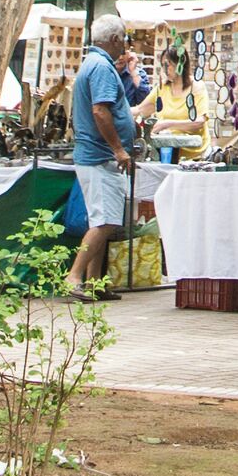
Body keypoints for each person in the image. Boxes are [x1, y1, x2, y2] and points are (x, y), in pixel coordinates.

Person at [67, 20, 142, 292]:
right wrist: (119, 149)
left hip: (94, 155)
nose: (125, 43)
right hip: (99, 157)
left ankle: (94, 281)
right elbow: (100, 111)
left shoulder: (94, 63)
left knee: (100, 219)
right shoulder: (100, 67)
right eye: (123, 38)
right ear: (112, 38)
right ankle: (74, 276)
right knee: (107, 221)